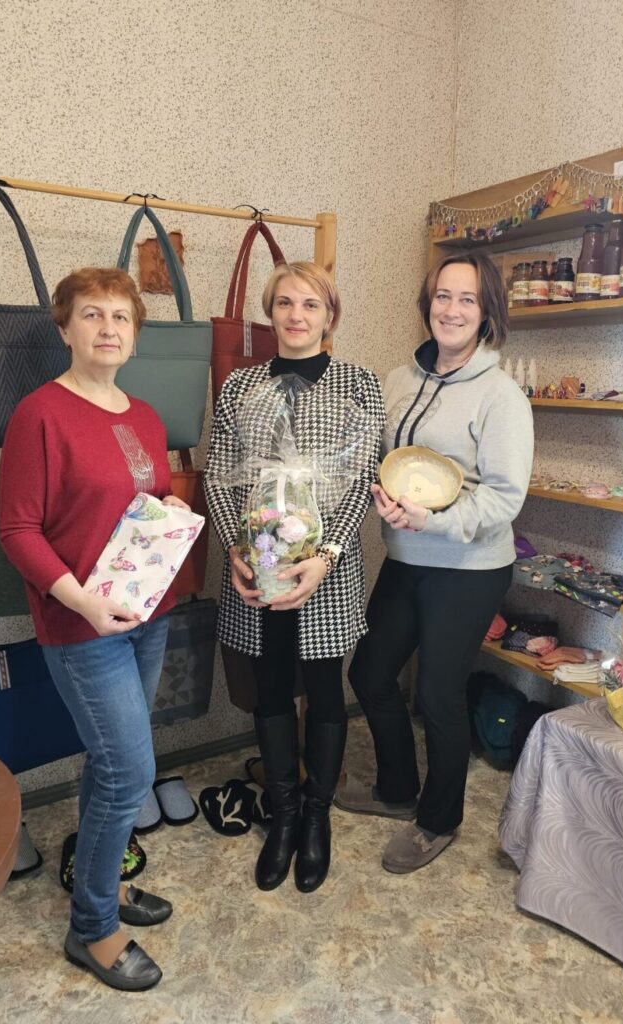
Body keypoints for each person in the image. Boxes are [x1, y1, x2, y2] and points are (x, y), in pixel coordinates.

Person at [0, 267, 187, 991]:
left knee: (109, 764)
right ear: (65, 328)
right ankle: (92, 929)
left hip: (146, 615)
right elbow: (17, 530)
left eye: (121, 317)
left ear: (134, 335)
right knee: (128, 771)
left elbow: (150, 502)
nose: (108, 328)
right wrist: (81, 601)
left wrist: (173, 518)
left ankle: (100, 883)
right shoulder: (40, 415)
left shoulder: (144, 416)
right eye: (91, 314)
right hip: (82, 625)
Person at [335, 252, 533, 873]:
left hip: (469, 567)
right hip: (407, 556)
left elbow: (504, 497)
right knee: (371, 674)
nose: (451, 309)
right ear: (428, 305)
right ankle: (397, 788)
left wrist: (435, 522)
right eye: (442, 296)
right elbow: (381, 455)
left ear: (487, 311)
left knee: (440, 694)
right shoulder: (398, 379)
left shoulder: (501, 396)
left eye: (467, 299)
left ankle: (438, 819)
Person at [205, 261, 384, 893]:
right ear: (270, 312)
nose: (297, 315)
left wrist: (326, 553)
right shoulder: (240, 386)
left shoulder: (358, 384)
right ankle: (282, 814)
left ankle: (316, 815)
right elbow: (218, 472)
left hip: (324, 568)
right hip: (257, 562)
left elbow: (363, 479)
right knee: (271, 687)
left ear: (330, 314)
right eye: (285, 303)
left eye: (311, 304)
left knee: (326, 692)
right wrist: (235, 546)